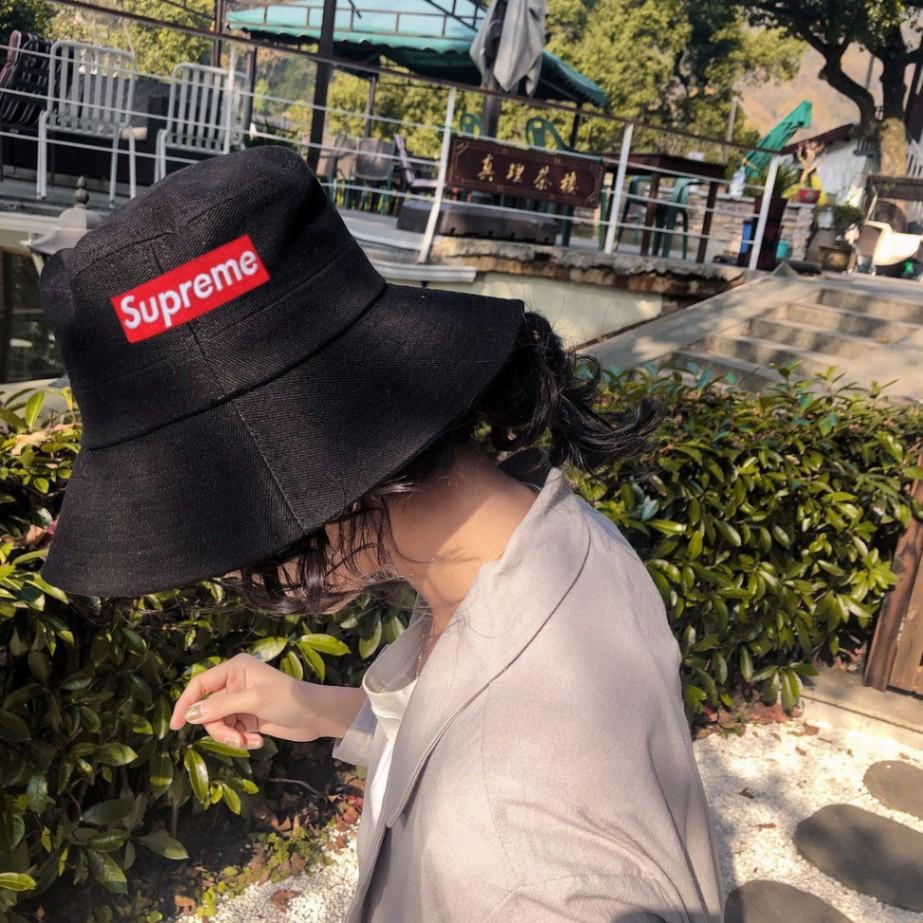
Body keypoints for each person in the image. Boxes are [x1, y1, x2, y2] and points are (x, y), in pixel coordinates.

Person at [39, 145, 724, 922]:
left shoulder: (511, 860)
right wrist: (322, 707)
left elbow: (517, 812)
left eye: (207, 516)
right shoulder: (552, 539)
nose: (227, 563)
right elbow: (469, 716)